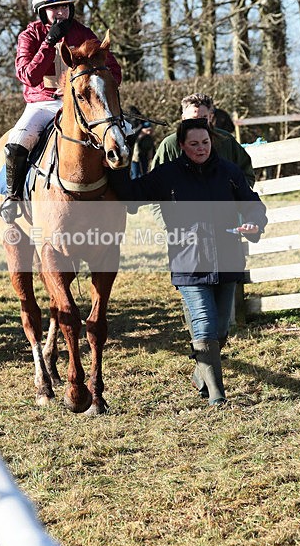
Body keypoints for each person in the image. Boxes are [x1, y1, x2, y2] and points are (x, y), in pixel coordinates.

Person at [108, 118, 267, 406]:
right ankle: (218, 397)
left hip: (228, 259)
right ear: (181, 145)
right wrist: (123, 154)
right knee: (205, 328)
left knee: (220, 332)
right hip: (189, 263)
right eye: (193, 144)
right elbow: (130, 196)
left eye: (205, 142)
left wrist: (255, 224)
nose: (200, 148)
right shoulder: (167, 175)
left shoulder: (229, 172)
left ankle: (200, 374)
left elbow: (252, 204)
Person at [0, 0, 123, 223]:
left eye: (65, 6)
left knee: (122, 134)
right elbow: (28, 76)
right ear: (42, 12)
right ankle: (12, 197)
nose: (61, 12)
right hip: (43, 104)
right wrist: (49, 42)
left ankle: (124, 193)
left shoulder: (84, 33)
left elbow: (113, 72)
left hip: (83, 105)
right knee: (18, 141)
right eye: (54, 8)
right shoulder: (30, 36)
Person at [152, 93, 255, 186]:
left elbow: (246, 172)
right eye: (193, 118)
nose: (198, 122)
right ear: (183, 118)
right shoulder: (170, 145)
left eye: (204, 117)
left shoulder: (225, 140)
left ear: (211, 117)